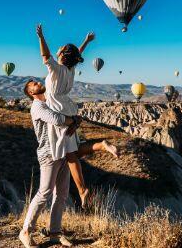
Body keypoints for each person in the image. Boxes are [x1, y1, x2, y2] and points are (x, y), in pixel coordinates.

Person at [35, 24, 119, 208]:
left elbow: (45, 56)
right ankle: (101, 145)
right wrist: (86, 42)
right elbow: (76, 53)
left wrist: (41, 37)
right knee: (72, 151)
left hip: (57, 110)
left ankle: (82, 190)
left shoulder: (57, 69)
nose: (58, 49)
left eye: (61, 49)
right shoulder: (70, 70)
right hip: (68, 108)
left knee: (70, 155)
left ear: (63, 56)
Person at [19, 79, 78, 248]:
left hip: (63, 151)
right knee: (44, 192)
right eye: (34, 84)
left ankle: (55, 233)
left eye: (36, 81)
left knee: (61, 194)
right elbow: (57, 119)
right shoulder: (37, 107)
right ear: (31, 92)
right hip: (48, 155)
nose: (38, 82)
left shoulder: (52, 102)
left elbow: (70, 113)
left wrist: (74, 119)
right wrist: (72, 120)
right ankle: (25, 232)